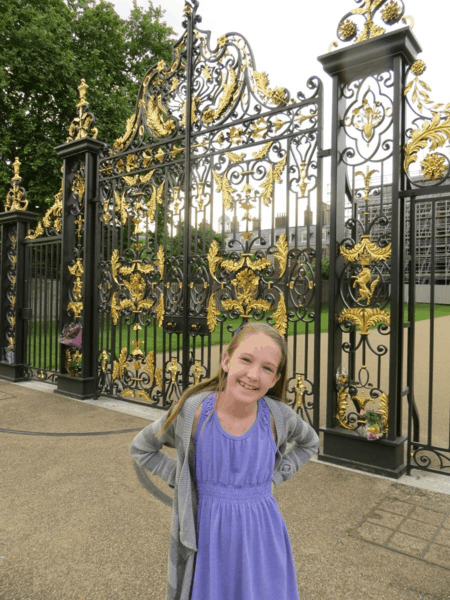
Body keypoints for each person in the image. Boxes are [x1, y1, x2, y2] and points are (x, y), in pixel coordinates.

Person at [129, 322, 320, 600]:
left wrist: (275, 477)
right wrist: (183, 479)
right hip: (209, 536)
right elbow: (142, 447)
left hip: (262, 534)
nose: (253, 375)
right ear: (226, 360)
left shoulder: (279, 417)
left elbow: (309, 443)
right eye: (246, 359)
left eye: (267, 368)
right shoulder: (194, 412)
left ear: (276, 379)